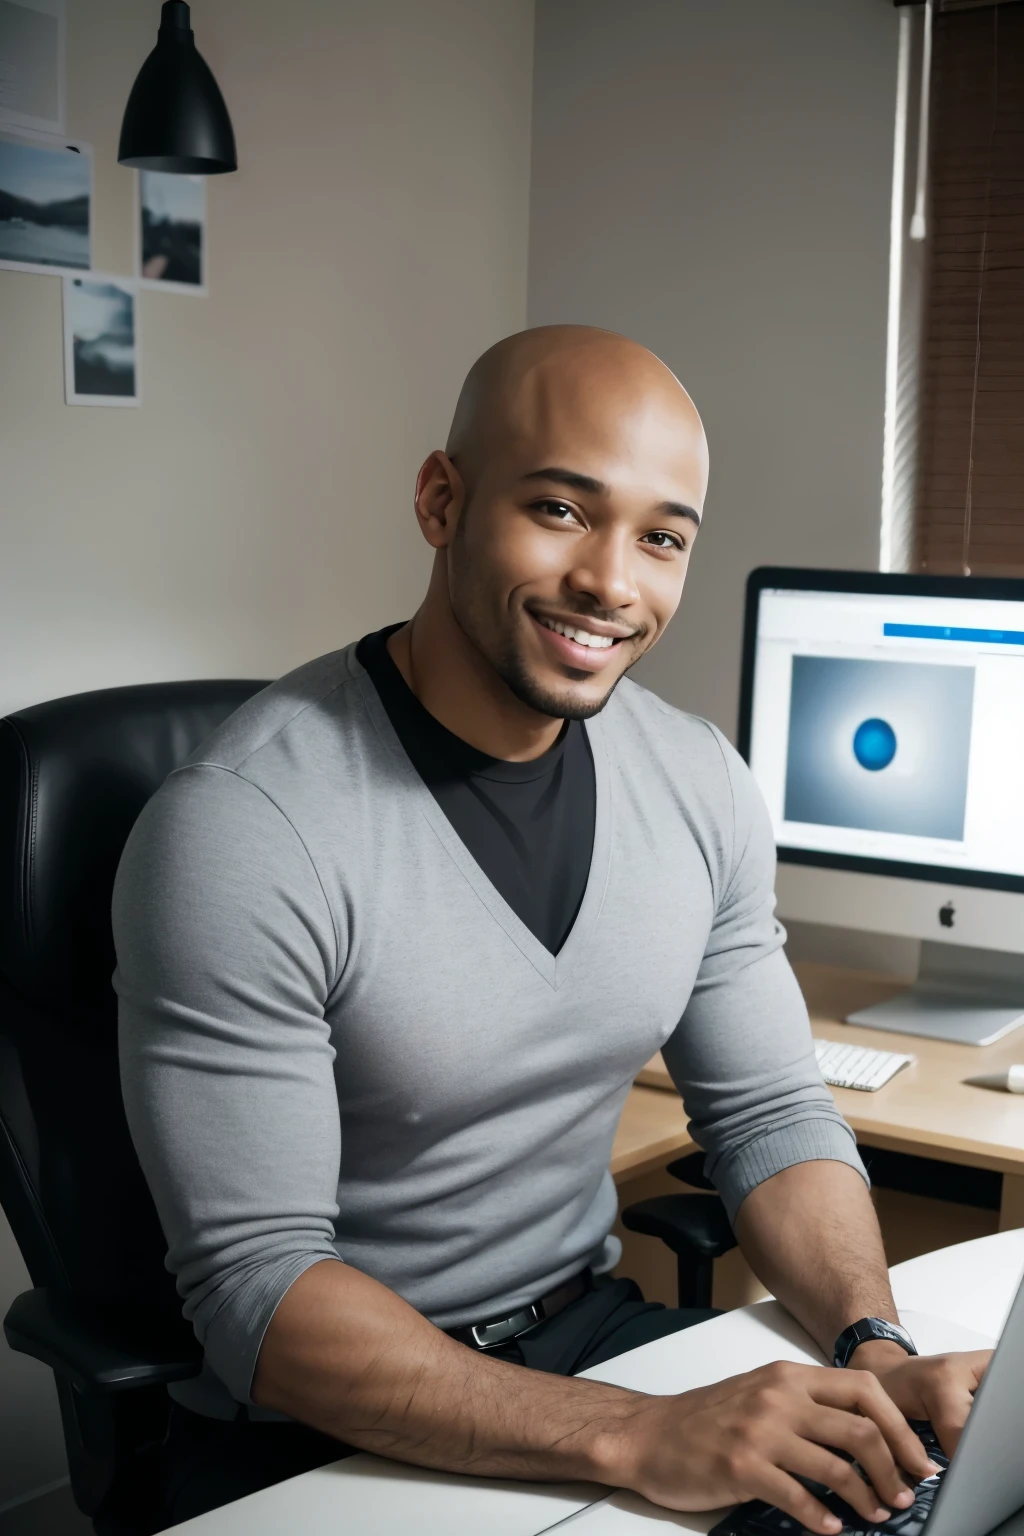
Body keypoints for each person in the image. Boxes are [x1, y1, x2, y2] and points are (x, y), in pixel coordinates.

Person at [113, 326, 988, 1530]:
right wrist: (640, 1436)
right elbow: (257, 1288)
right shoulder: (246, 827)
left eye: (660, 538)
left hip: (592, 1343)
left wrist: (873, 1351)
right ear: (441, 501)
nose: (611, 583)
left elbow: (771, 1114)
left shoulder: (698, 783)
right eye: (562, 511)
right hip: (319, 1432)